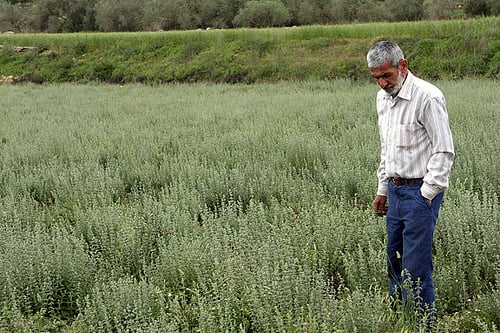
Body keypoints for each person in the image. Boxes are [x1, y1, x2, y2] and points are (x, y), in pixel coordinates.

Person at [366, 41, 454, 328]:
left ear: (402, 66)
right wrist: (382, 188)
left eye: (386, 75)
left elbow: (444, 151)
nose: (381, 83)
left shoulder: (427, 97)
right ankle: (398, 320)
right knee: (393, 260)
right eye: (376, 77)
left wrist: (427, 195)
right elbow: (387, 148)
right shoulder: (383, 99)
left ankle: (422, 325)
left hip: (419, 193)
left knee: (416, 269)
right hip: (395, 189)